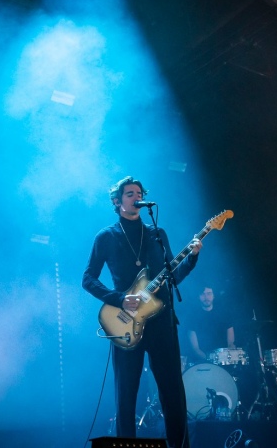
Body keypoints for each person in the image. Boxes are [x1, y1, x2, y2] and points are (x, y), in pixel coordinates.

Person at [83, 176, 203, 448]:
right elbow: (88, 278)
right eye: (129, 193)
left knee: (172, 390)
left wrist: (193, 256)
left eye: (139, 193)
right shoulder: (106, 236)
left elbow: (174, 276)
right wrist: (120, 298)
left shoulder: (157, 234)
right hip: (125, 323)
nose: (136, 197)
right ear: (117, 201)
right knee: (127, 394)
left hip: (161, 321)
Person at [185, 285, 235, 364]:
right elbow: (195, 349)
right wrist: (210, 361)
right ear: (198, 296)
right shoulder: (192, 318)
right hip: (203, 362)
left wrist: (229, 354)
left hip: (224, 361)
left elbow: (231, 342)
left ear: (214, 295)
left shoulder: (224, 314)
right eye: (203, 294)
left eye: (209, 293)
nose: (206, 297)